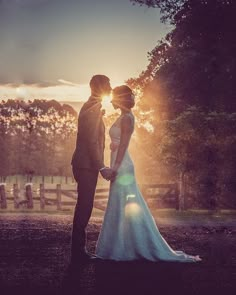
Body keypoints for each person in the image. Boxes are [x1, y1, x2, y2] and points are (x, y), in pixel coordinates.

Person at [95, 85, 201, 262]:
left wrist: (115, 167)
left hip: (122, 165)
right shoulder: (122, 116)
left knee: (126, 204)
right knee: (119, 204)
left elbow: (124, 145)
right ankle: (119, 245)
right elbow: (118, 141)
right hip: (118, 161)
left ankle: (129, 247)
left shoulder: (127, 118)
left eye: (114, 96)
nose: (112, 99)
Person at [70, 74, 115, 264]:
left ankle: (78, 251)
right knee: (85, 206)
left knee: (84, 205)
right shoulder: (92, 109)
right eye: (108, 84)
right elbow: (91, 142)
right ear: (98, 87)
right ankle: (78, 252)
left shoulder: (92, 107)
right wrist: (102, 167)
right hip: (86, 166)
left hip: (85, 165)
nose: (111, 88)